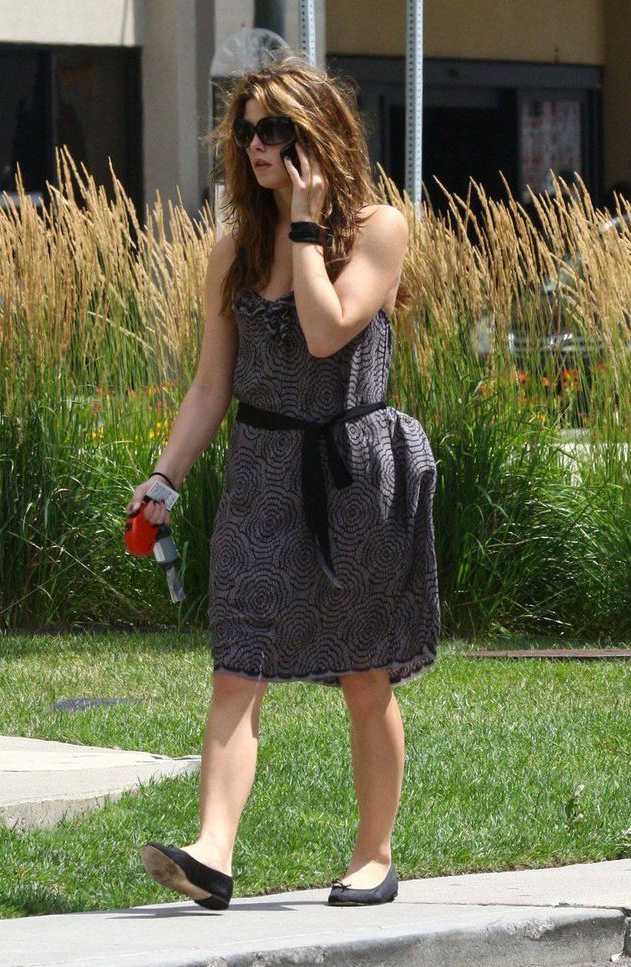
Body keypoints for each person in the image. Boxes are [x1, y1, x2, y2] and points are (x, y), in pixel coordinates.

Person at [131, 58, 439, 911]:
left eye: (276, 129)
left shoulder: (380, 227)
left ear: (318, 136)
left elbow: (327, 329)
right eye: (247, 129)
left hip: (353, 468)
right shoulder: (230, 251)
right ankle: (212, 852)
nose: (256, 144)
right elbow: (208, 384)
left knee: (361, 673)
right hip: (261, 471)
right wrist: (165, 475)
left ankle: (373, 854)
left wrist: (305, 229)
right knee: (238, 665)